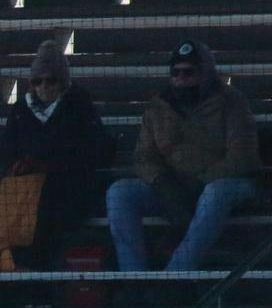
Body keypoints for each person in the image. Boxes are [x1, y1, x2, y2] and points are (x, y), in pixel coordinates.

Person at [108, 40, 263, 275]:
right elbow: (143, 157)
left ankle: (175, 276)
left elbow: (242, 157)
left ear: (205, 73)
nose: (181, 78)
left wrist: (200, 182)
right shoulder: (157, 107)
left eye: (189, 72)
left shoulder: (231, 102)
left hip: (227, 185)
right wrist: (163, 183)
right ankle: (134, 278)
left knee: (214, 194)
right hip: (173, 189)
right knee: (119, 192)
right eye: (176, 72)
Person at [0, 40, 113, 271]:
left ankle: (38, 276)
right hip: (26, 189)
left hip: (70, 187)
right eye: (38, 81)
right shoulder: (20, 110)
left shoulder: (79, 105)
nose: (44, 87)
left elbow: (94, 150)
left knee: (46, 213)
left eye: (51, 80)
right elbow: (6, 151)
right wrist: (20, 165)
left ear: (63, 82)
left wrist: (49, 165)